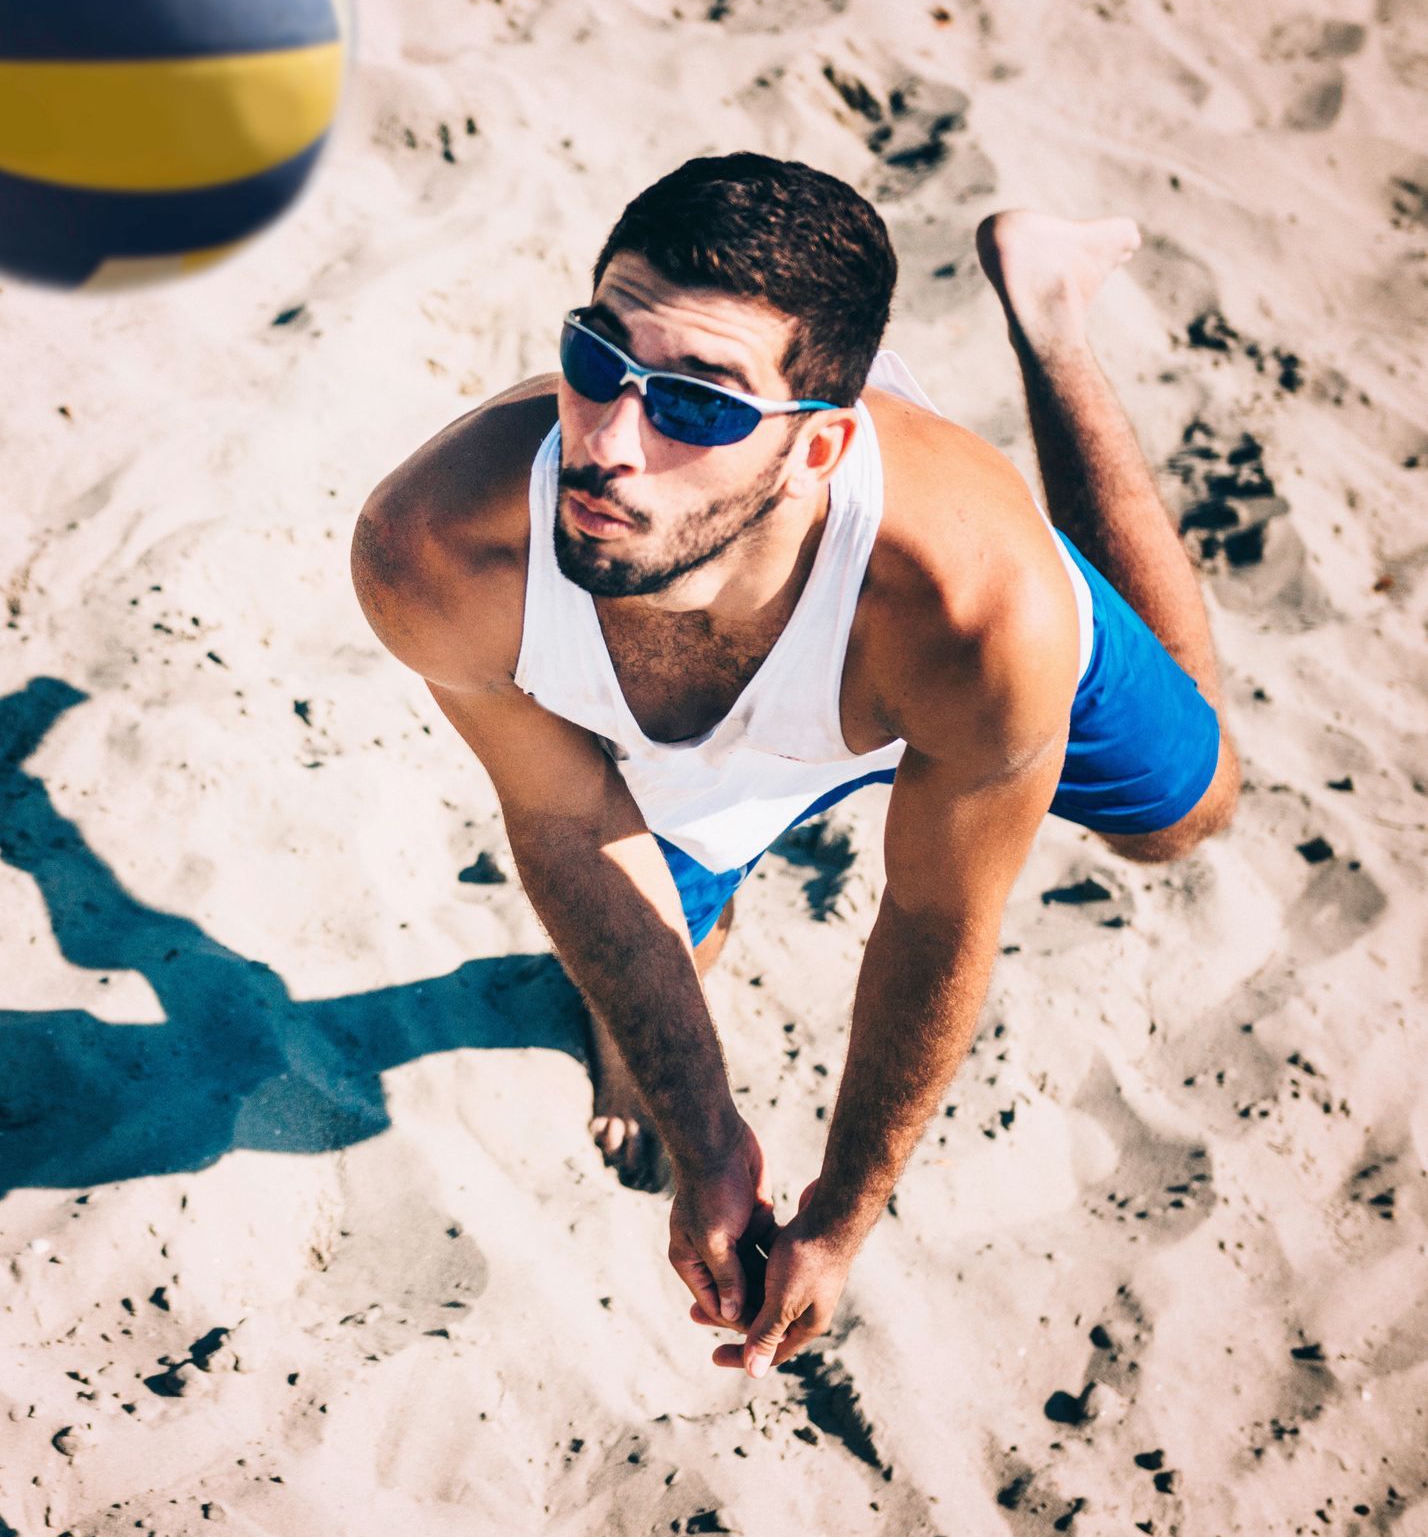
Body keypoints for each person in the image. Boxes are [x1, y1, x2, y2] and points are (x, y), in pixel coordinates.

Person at [350, 153, 1239, 1381]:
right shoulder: (441, 547)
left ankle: (1050, 321)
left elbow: (935, 909)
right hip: (680, 716)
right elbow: (561, 821)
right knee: (662, 952)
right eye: (598, 359)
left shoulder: (979, 613)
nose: (609, 442)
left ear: (818, 448)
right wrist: (709, 1139)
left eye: (697, 404)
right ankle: (643, 1057)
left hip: (906, 654)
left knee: (1186, 819)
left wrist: (842, 1210)